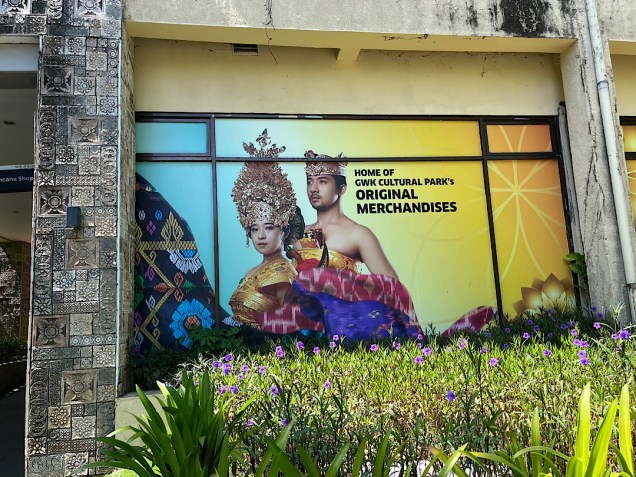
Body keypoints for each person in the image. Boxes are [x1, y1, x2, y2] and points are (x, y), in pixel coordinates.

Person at [295, 152, 398, 278]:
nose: (313, 189)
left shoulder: (359, 234)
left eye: (322, 181)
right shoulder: (299, 234)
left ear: (341, 189)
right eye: (309, 182)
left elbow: (393, 287)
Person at [228, 156, 300, 328]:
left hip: (267, 344)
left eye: (268, 228)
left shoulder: (283, 273)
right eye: (254, 229)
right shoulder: (250, 271)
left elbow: (290, 325)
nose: (260, 235)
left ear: (283, 231)